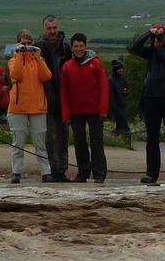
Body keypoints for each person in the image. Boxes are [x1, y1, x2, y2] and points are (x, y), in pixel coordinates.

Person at [129, 24, 165, 186]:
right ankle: (152, 173)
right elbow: (135, 48)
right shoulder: (151, 49)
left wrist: (160, 49)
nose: (157, 39)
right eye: (156, 36)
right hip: (151, 97)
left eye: (160, 35)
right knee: (152, 138)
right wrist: (148, 33)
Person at [60, 32, 109, 183]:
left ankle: (99, 173)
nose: (79, 49)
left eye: (81, 46)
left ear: (86, 46)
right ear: (72, 48)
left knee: (97, 142)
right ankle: (83, 173)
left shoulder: (96, 63)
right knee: (80, 143)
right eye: (76, 46)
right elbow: (64, 91)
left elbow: (103, 87)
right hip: (76, 111)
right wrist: (66, 114)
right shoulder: (67, 66)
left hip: (95, 110)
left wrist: (103, 109)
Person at [6, 29, 53, 183]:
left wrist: (39, 58)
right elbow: (16, 75)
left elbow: (47, 76)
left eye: (29, 43)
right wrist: (19, 54)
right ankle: (16, 172)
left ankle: (46, 172)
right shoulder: (13, 60)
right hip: (18, 108)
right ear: (18, 43)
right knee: (18, 143)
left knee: (40, 143)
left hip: (38, 107)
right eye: (23, 43)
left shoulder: (38, 60)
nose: (26, 46)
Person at [35, 15, 71, 181]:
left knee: (63, 137)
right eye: (49, 28)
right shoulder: (38, 48)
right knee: (49, 137)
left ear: (58, 27)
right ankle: (51, 170)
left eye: (54, 28)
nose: (52, 31)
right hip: (45, 98)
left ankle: (61, 170)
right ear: (44, 29)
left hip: (64, 97)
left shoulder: (67, 48)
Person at [108, 59, 130, 141]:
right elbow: (111, 95)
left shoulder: (122, 78)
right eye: (119, 68)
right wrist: (114, 107)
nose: (121, 70)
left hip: (122, 104)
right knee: (123, 123)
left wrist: (126, 91)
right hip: (116, 105)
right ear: (115, 69)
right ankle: (126, 138)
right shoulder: (110, 80)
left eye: (122, 68)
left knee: (120, 123)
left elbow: (127, 87)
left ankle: (116, 137)